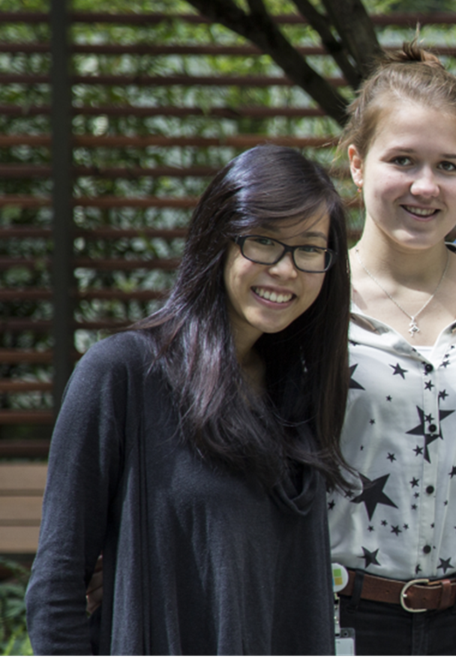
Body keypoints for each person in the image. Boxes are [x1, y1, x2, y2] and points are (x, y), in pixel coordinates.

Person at [26, 145, 352, 655]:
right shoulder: (123, 374)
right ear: (217, 240)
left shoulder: (299, 390)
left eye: (309, 249)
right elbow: (56, 588)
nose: (286, 269)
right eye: (264, 241)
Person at [327, 42, 456, 655]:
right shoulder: (313, 293)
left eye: (449, 166)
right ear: (358, 163)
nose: (425, 186)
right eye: (403, 160)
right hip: (339, 618)